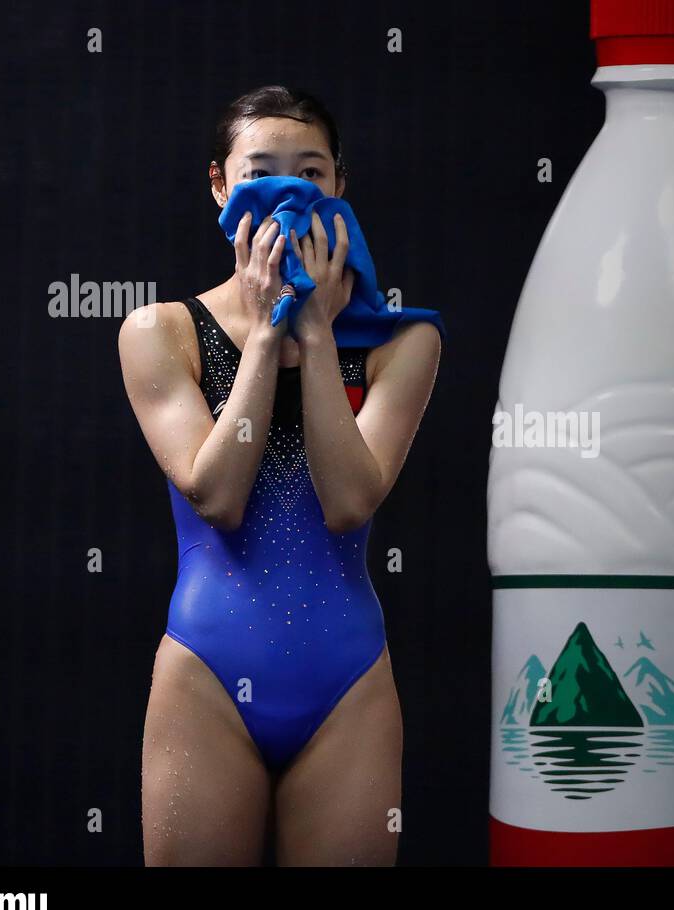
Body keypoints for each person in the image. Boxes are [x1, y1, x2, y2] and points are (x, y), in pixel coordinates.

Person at [118, 86, 441, 865]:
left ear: (338, 188)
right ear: (221, 189)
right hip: (207, 674)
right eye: (261, 174)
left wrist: (320, 341)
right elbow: (217, 495)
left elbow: (350, 501)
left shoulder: (404, 344)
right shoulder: (162, 332)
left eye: (311, 173)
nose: (288, 193)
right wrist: (266, 340)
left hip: (348, 683)